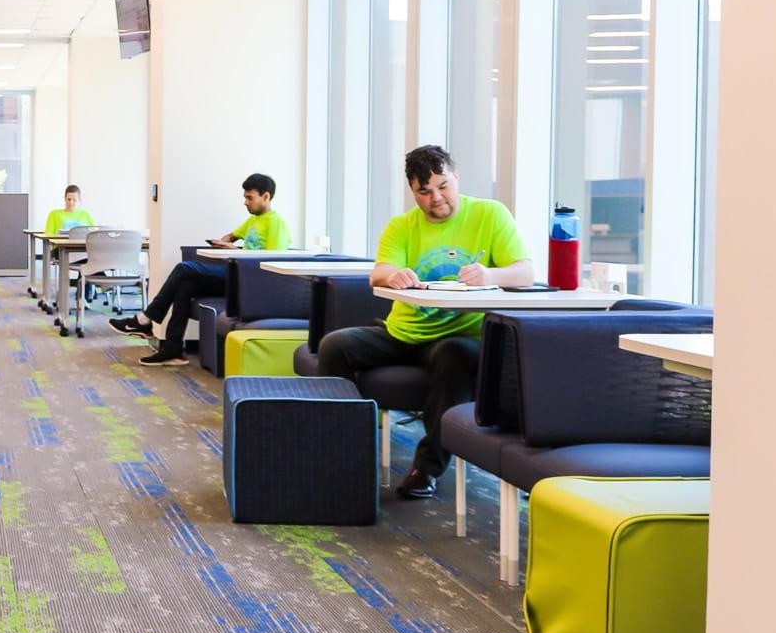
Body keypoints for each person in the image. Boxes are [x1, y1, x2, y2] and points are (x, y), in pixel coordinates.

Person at [318, 145, 533, 499]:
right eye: (424, 191)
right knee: (335, 345)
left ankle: (426, 469)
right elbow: (379, 273)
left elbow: (525, 272)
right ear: (413, 191)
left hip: (459, 338)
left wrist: (490, 274)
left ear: (456, 176)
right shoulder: (402, 226)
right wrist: (395, 276)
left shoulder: (491, 215)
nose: (436, 198)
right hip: (403, 334)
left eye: (443, 186)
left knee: (456, 355)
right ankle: (339, 451)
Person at [109, 173, 292, 366]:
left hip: (251, 281)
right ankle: (173, 349)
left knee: (184, 268)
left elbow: (273, 261)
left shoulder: (276, 223)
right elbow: (231, 235)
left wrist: (235, 250)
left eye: (250, 198)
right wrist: (224, 242)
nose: (245, 202)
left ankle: (146, 318)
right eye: (244, 197)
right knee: (185, 285)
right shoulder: (255, 220)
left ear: (266, 196)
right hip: (237, 276)